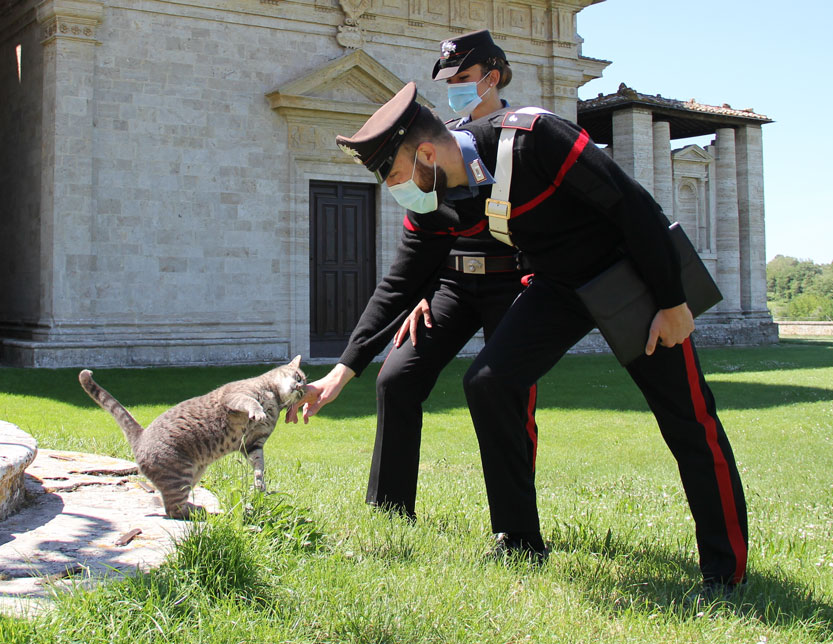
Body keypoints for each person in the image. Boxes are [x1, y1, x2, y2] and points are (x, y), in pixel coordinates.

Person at [305, 81, 748, 593]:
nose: (399, 189)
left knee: (687, 417)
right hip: (556, 286)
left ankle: (725, 570)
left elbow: (634, 207)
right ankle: (519, 542)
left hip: (630, 276)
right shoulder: (438, 198)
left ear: (427, 152)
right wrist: (344, 369)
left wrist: (673, 304)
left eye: (398, 175)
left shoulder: (536, 137)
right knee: (489, 382)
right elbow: (401, 280)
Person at [366, 30, 539, 521]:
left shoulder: (520, 136)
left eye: (464, 78)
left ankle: (515, 527)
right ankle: (390, 511)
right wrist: (421, 293)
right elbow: (427, 226)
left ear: (492, 76)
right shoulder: (439, 136)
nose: (455, 88)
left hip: (511, 281)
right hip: (452, 284)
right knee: (396, 378)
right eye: (449, 80)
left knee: (503, 393)